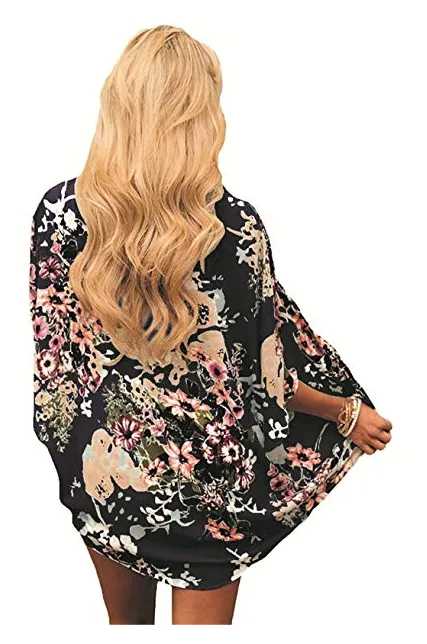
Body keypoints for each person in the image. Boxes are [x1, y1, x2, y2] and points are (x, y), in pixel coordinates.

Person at [29, 24, 393, 629]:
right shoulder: (234, 231)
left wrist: (75, 460)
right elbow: (262, 388)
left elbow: (55, 371)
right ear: (200, 117)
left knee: (126, 633)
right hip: (204, 494)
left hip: (102, 472)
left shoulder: (57, 213)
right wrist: (344, 412)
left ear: (118, 104)